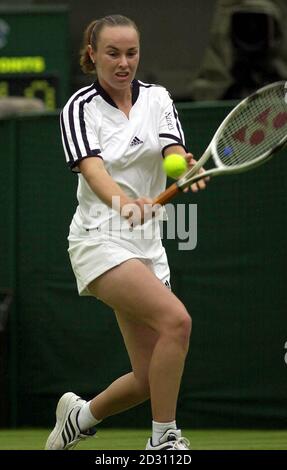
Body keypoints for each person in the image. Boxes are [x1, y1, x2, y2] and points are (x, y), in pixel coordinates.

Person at [45, 14, 208, 451]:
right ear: (93, 54)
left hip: (148, 245)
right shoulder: (78, 108)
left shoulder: (158, 99)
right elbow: (93, 171)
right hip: (100, 238)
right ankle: (164, 440)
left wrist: (184, 166)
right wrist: (123, 203)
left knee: (146, 377)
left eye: (131, 53)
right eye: (113, 53)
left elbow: (172, 149)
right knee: (177, 320)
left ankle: (78, 416)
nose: (123, 63)